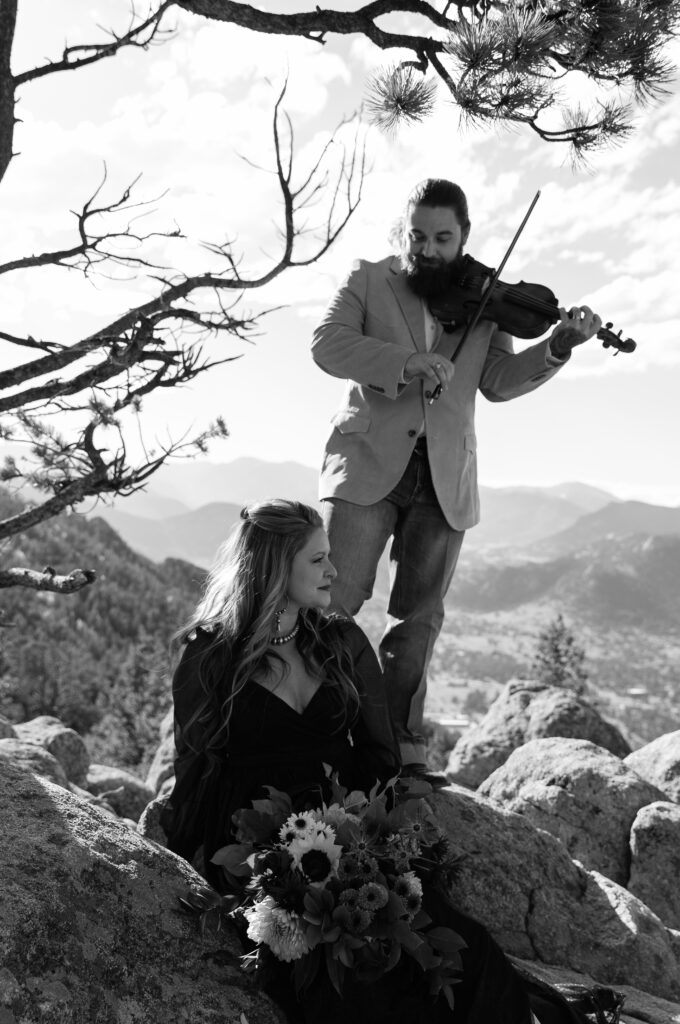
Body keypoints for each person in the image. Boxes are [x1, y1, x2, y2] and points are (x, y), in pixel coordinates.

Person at [161, 499, 600, 1024]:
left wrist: (384, 841)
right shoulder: (210, 653)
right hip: (258, 843)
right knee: (344, 981)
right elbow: (194, 764)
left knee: (460, 949)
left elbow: (377, 749)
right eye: (317, 560)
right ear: (275, 567)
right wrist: (188, 855)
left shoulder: (339, 641)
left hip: (348, 830)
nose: (334, 571)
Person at [311, 178, 603, 779]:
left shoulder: (486, 299)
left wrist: (556, 347)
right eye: (418, 235)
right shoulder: (368, 278)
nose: (429, 248)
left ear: (464, 236)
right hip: (366, 466)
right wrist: (404, 362)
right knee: (332, 599)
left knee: (417, 621)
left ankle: (399, 752)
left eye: (443, 238)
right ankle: (309, 730)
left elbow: (496, 380)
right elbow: (328, 345)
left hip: (445, 476)